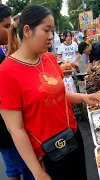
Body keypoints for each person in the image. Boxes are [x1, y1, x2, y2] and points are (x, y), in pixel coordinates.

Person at [0, 5, 100, 180]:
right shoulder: (6, 72)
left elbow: (59, 94)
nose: (51, 36)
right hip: (47, 152)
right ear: (27, 30)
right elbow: (15, 129)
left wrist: (85, 97)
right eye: (46, 30)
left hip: (72, 138)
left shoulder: (49, 59)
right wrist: (37, 171)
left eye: (52, 31)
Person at [0, 4, 35, 180]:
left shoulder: (2, 51)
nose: (10, 30)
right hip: (9, 134)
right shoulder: (4, 65)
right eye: (6, 26)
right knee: (29, 171)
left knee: (12, 170)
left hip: (6, 134)